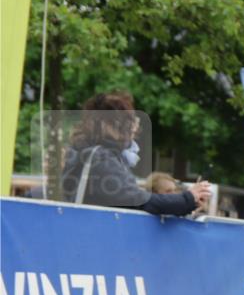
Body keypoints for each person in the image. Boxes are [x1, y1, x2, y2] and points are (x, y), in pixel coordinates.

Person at [61, 91, 211, 215]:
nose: (132, 128)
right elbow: (139, 201)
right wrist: (188, 199)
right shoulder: (100, 157)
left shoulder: (88, 153)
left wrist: (188, 201)